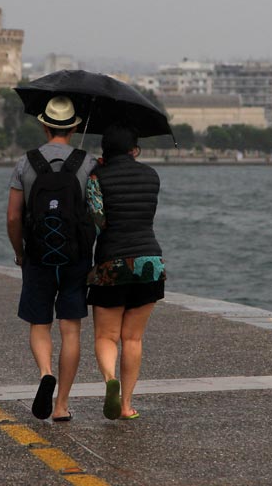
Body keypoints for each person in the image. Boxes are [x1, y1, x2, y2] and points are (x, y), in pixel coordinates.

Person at [6, 96, 97, 421]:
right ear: (73, 129)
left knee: (40, 323)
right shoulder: (88, 163)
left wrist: (20, 252)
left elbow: (14, 217)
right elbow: (98, 213)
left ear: (44, 126)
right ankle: (61, 405)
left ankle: (46, 373)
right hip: (76, 258)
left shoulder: (25, 163)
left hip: (38, 255)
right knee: (70, 329)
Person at [86, 123, 165, 420]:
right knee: (133, 338)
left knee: (107, 336)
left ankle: (110, 381)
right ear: (135, 150)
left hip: (112, 263)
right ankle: (126, 405)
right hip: (149, 261)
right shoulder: (151, 175)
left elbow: (98, 222)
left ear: (105, 150)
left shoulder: (97, 177)